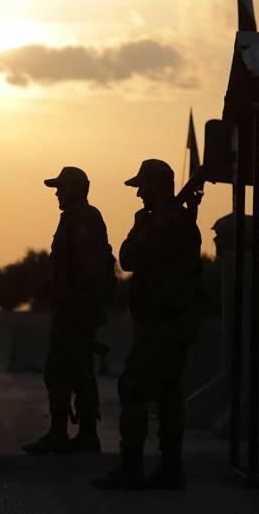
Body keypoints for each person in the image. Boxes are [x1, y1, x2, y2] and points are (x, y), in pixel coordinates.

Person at [93, 159, 202, 490]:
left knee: (134, 389)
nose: (139, 194)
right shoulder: (183, 221)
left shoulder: (160, 223)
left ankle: (132, 466)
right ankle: (171, 466)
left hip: (158, 324)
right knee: (169, 394)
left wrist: (139, 224)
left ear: (155, 186)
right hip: (178, 321)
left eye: (142, 186)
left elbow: (128, 258)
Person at [23, 166, 115, 455]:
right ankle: (74, 433)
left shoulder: (83, 219)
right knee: (74, 371)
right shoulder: (76, 219)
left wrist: (79, 312)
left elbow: (88, 272)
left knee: (65, 372)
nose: (58, 194)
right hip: (72, 311)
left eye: (62, 188)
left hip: (76, 313)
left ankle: (72, 434)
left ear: (77, 188)